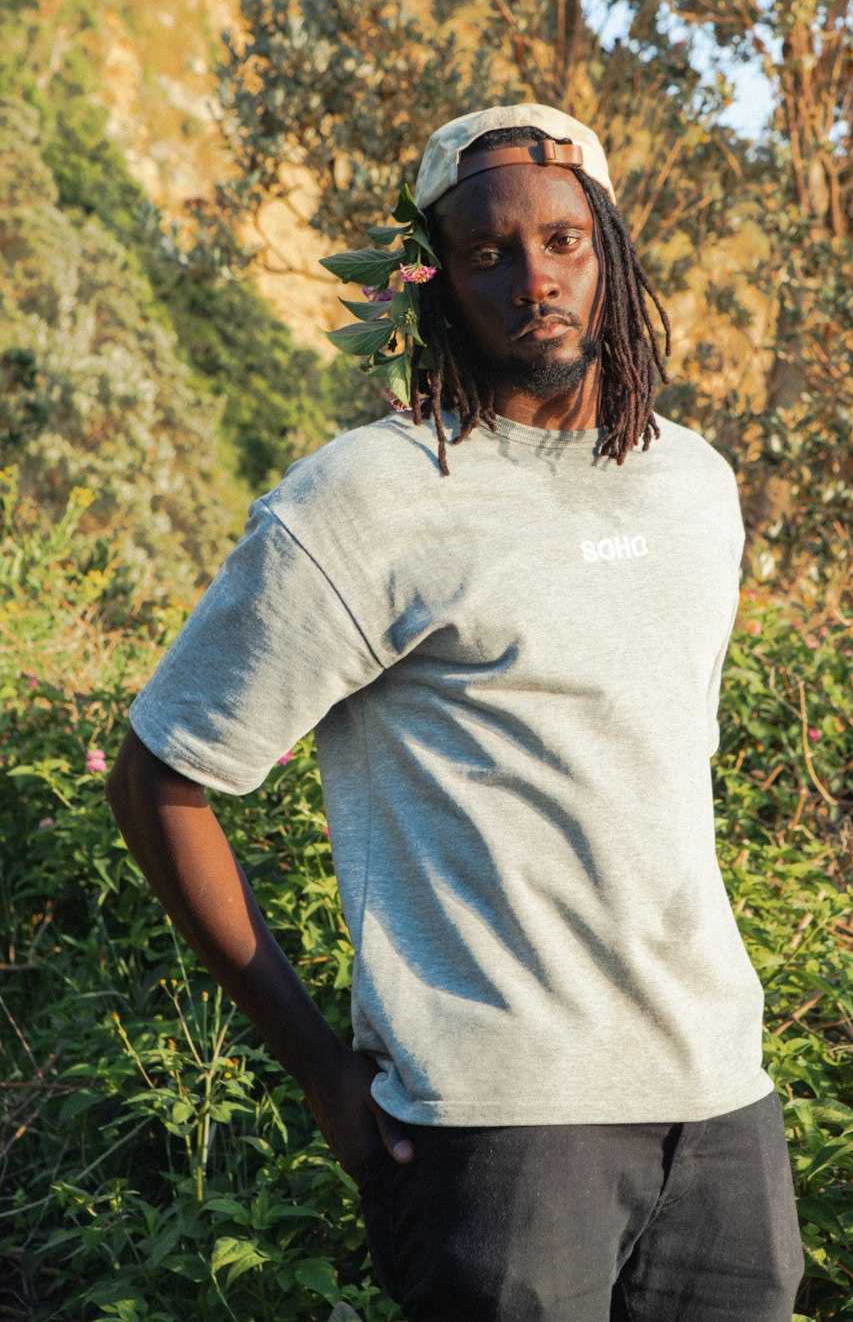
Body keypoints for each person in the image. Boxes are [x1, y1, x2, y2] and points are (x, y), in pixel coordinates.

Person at [107, 103, 804, 1322]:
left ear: (612, 252)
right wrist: (324, 1072)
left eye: (562, 240)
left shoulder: (696, 487)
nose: (534, 278)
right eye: (487, 253)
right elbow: (161, 775)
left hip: (722, 1109)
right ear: (436, 285)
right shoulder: (367, 500)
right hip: (501, 1131)